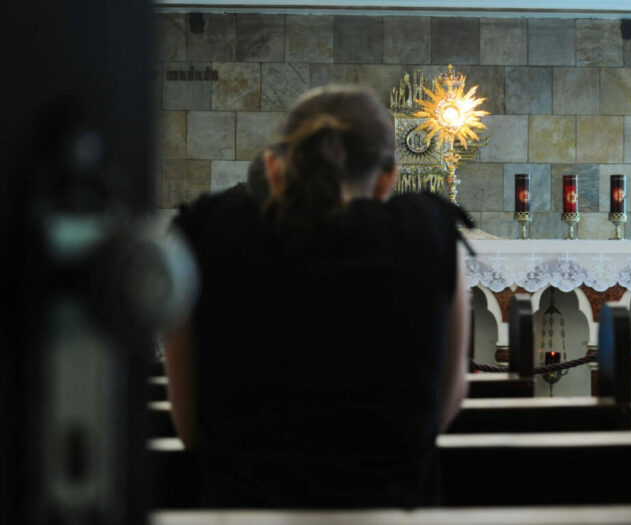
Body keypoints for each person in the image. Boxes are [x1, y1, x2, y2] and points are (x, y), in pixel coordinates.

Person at [163, 85, 471, 508]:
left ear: (274, 170)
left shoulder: (206, 231)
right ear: (387, 179)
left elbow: (189, 427)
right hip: (391, 508)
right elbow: (443, 405)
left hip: (242, 510)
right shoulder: (429, 234)